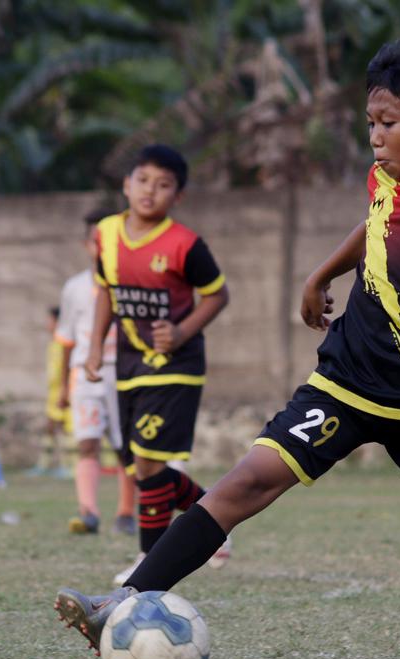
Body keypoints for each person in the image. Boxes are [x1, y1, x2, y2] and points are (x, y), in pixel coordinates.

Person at [54, 36, 400, 652]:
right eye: (370, 122)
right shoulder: (385, 175)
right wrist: (324, 272)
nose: (374, 136)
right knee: (246, 482)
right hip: (347, 376)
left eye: (388, 123)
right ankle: (124, 599)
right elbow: (378, 224)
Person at [82, 145, 232, 585]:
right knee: (141, 467)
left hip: (176, 366)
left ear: (178, 196)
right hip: (127, 364)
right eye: (143, 180)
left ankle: (149, 562)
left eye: (164, 185)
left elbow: (218, 295)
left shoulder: (185, 244)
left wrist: (182, 331)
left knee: (147, 465)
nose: (151, 191)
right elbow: (106, 292)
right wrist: (94, 348)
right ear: (126, 184)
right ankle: (214, 517)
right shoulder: (106, 234)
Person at [57, 210, 136, 534]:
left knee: (126, 446)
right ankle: (87, 511)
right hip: (84, 375)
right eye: (95, 241)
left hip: (123, 373)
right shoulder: (74, 287)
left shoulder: (130, 282)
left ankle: (126, 512)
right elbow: (65, 339)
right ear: (85, 244)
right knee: (87, 442)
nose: (100, 247)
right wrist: (62, 385)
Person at [30, 306, 73, 479]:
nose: (47, 324)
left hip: (64, 391)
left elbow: (66, 367)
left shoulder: (65, 342)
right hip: (53, 391)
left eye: (50, 320)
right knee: (50, 428)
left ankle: (68, 465)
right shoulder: (54, 342)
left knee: (64, 429)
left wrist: (65, 388)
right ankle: (43, 464)